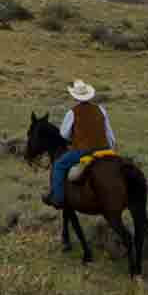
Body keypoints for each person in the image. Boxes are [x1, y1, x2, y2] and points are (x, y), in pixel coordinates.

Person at [49, 80, 117, 208]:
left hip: (83, 151)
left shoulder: (72, 112)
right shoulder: (101, 110)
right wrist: (111, 148)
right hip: (104, 149)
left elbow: (63, 134)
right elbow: (110, 134)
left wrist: (74, 138)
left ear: (75, 96)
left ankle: (58, 198)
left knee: (59, 165)